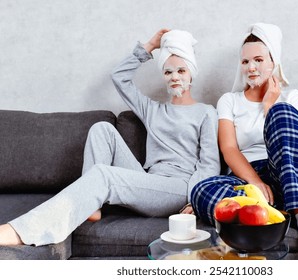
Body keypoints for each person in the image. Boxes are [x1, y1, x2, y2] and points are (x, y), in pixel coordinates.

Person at [0, 28, 220, 246]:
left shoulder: (206, 112)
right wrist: (149, 46)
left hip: (179, 188)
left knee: (105, 175)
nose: (174, 77)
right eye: (168, 72)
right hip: (149, 181)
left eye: (181, 71)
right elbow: (119, 77)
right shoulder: (152, 109)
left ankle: (22, 232)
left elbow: (209, 164)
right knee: (102, 129)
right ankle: (91, 205)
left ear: (191, 73)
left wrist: (195, 199)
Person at [190, 22, 298, 255]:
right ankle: (295, 215)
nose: (251, 67)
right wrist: (255, 183)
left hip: (295, 174)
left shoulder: (292, 97)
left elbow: (297, 139)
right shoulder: (229, 101)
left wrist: (269, 106)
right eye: (245, 62)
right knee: (201, 191)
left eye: (258, 60)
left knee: (282, 113)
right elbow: (229, 149)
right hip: (249, 181)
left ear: (273, 62)